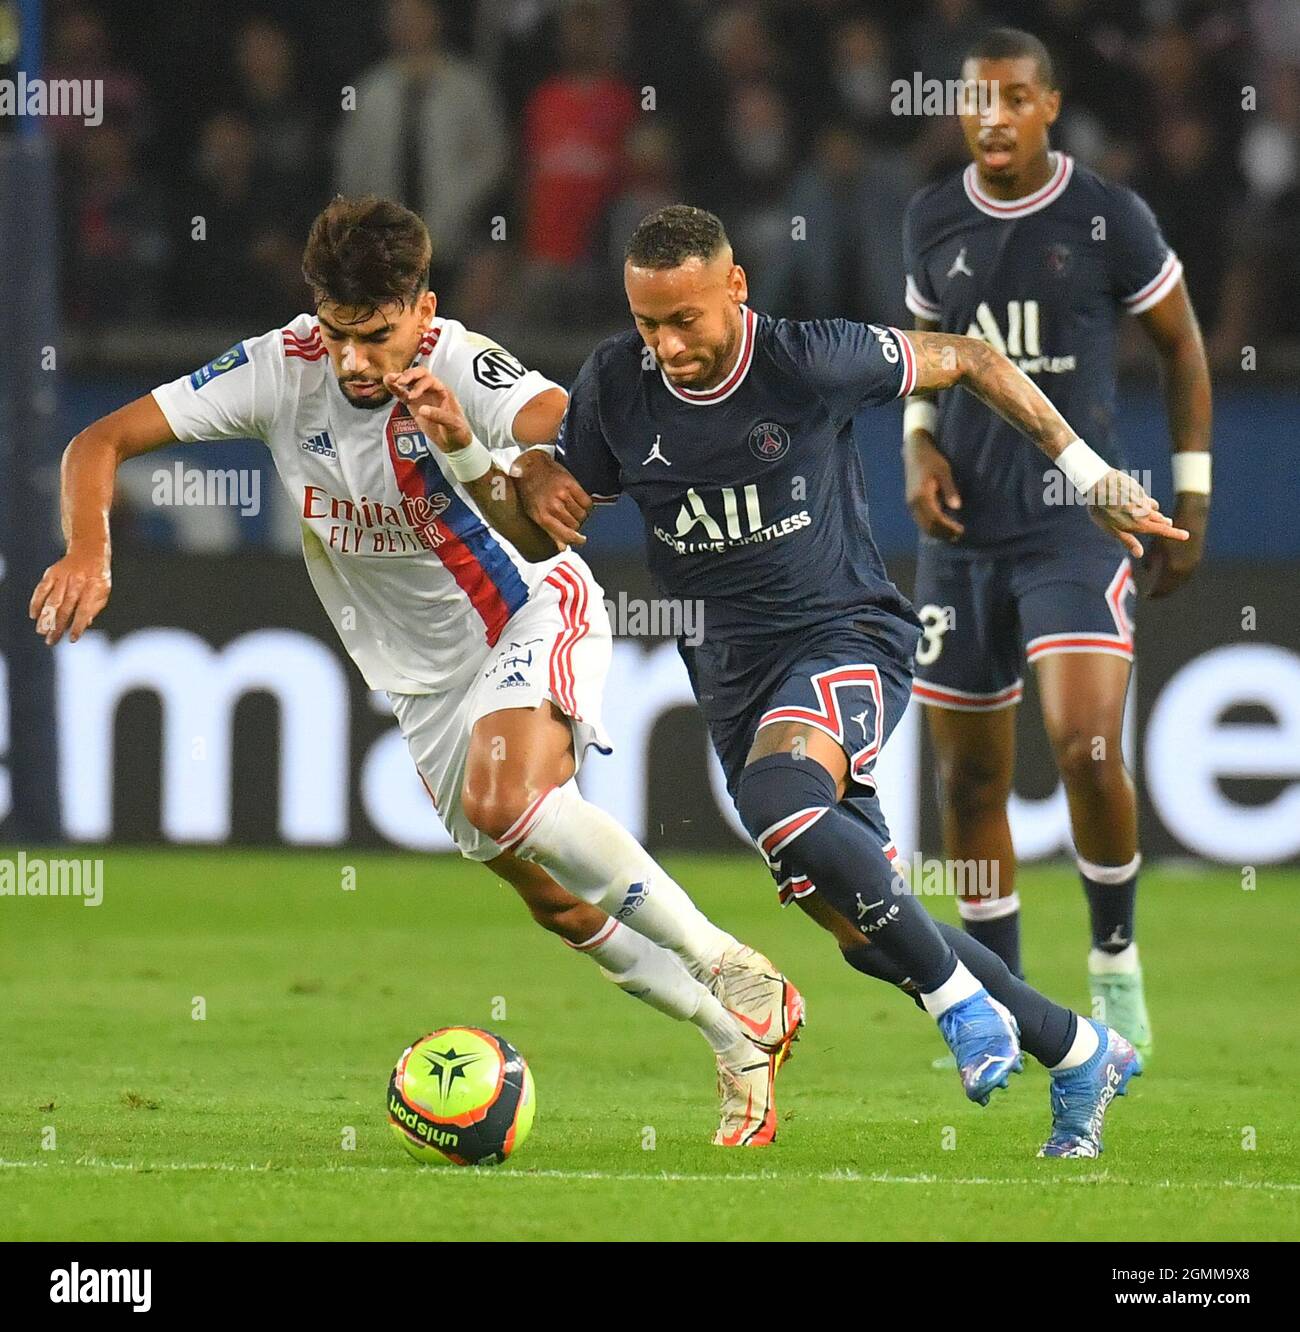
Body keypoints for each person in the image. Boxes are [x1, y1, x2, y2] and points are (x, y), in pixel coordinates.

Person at [29, 195, 803, 1149]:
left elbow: (565, 418)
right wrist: (89, 548)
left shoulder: (460, 362)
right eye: (338, 333)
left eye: (378, 335)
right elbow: (98, 442)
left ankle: (731, 964)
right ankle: (734, 1039)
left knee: (505, 799)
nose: (355, 360)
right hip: (420, 684)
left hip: (528, 613)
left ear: (424, 311)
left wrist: (537, 460)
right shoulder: (278, 369)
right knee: (555, 899)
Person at [505, 203, 1187, 1157]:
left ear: (735, 288)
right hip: (733, 680)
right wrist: (526, 473)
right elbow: (548, 517)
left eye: (685, 320)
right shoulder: (617, 383)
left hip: (844, 637)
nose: (667, 346)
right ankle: (1078, 1049)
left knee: (778, 801)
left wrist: (1085, 472)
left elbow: (974, 360)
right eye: (648, 323)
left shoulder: (808, 359)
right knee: (868, 930)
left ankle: (959, 1007)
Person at [901, 29, 1212, 1056]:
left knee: (1085, 744)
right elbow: (925, 356)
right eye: (974, 100)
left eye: (1012, 98)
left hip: (1073, 529)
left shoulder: (1107, 216)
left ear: (1048, 107)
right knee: (966, 782)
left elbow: (1181, 345)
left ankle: (1114, 961)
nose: (991, 117)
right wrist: (916, 446)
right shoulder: (931, 216)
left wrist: (1194, 496)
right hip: (962, 537)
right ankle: (1000, 1002)